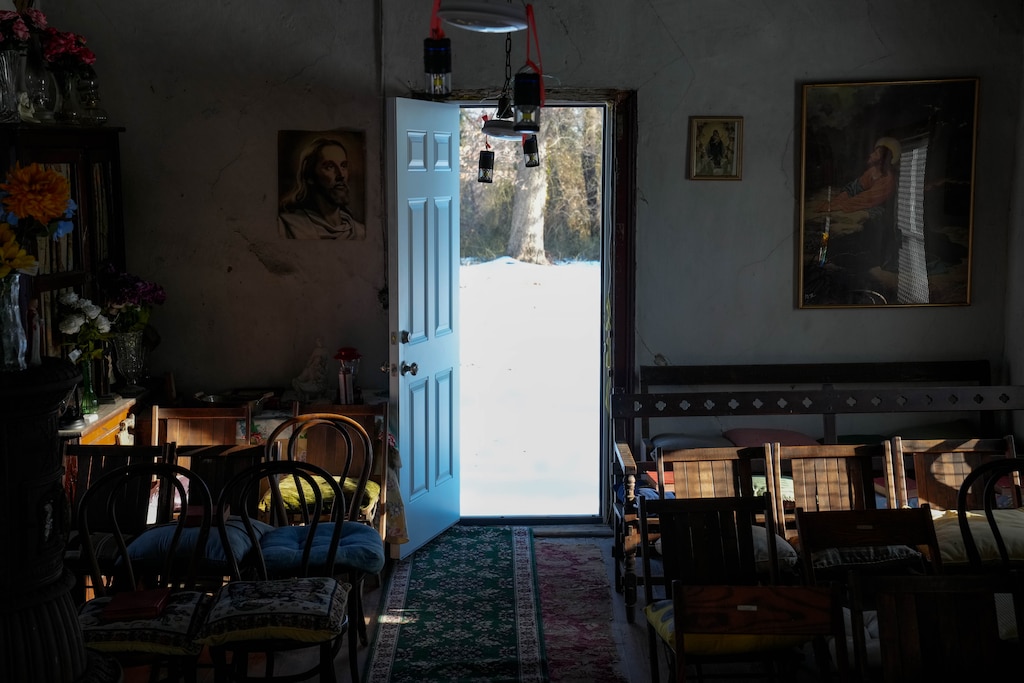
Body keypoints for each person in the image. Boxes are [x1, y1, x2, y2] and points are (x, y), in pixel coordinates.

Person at [278, 137, 367, 240]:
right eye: (329, 166)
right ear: (310, 176)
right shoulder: (288, 227)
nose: (341, 174)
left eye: (343, 166)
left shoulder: (360, 232)